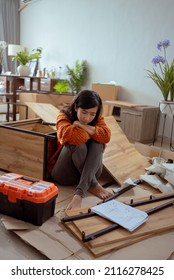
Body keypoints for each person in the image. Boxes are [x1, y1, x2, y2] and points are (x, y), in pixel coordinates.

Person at [49, 89, 112, 210]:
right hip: (65, 173)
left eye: (92, 114)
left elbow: (106, 136)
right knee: (75, 142)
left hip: (90, 172)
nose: (88, 118)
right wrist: (93, 132)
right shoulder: (63, 116)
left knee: (98, 143)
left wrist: (80, 125)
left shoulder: (97, 118)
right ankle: (91, 186)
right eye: (84, 112)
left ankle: (81, 191)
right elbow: (73, 137)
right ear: (76, 107)